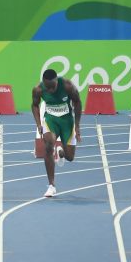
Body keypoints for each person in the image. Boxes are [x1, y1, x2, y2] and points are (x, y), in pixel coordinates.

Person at [31, 69, 82, 198]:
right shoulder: (38, 89)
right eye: (47, 87)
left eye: (52, 87)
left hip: (67, 121)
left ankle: (61, 153)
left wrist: (77, 125)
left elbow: (77, 102)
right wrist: (38, 124)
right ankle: (51, 185)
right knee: (48, 146)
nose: (50, 90)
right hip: (51, 119)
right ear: (43, 83)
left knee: (70, 157)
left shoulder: (67, 85)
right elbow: (35, 105)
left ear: (56, 81)